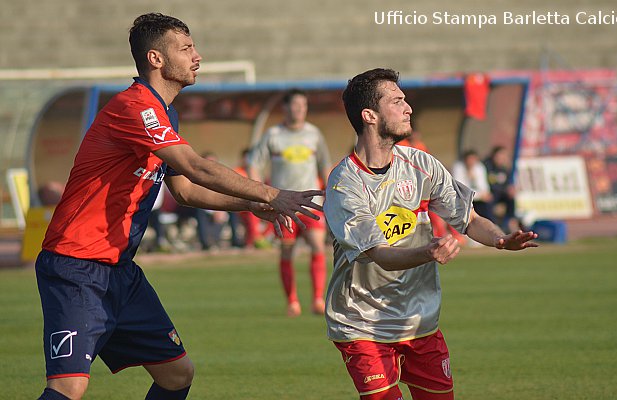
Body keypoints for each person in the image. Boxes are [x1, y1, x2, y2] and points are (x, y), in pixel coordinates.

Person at [35, 13, 322, 400]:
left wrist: (248, 203)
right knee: (68, 387)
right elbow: (197, 167)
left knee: (176, 374)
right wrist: (271, 193)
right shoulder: (135, 108)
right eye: (186, 48)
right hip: (77, 267)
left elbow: (186, 191)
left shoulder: (163, 114)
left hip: (120, 272)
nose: (197, 56)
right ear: (155, 58)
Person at [324, 68, 538, 400]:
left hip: (419, 321)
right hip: (362, 323)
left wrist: (499, 239)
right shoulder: (345, 184)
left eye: (405, 99)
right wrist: (429, 251)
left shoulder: (421, 165)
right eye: (396, 101)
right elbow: (379, 255)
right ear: (369, 115)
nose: (408, 107)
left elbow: (467, 218)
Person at [248, 89, 332, 317]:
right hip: (282, 204)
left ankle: (318, 299)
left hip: (310, 203)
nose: (299, 110)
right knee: (287, 252)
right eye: (295, 105)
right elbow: (254, 163)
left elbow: (325, 165)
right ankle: (292, 301)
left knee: (317, 246)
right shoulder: (273, 135)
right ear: (285, 108)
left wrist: (330, 193)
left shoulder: (314, 134)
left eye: (303, 106)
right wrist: (259, 191)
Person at [452, 149, 494, 222]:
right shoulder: (458, 168)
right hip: (463, 197)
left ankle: (488, 223)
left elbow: (483, 185)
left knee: (487, 206)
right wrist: (479, 195)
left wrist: (484, 193)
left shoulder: (479, 167)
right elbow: (462, 189)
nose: (471, 162)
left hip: (477, 197)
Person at [484, 146, 517, 232]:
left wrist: (510, 189)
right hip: (488, 194)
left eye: (504, 156)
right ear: (494, 155)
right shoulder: (486, 166)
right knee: (488, 201)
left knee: (511, 198)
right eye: (500, 156)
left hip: (500, 194)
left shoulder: (504, 169)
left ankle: (511, 222)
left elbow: (507, 184)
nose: (502, 158)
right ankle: (493, 227)